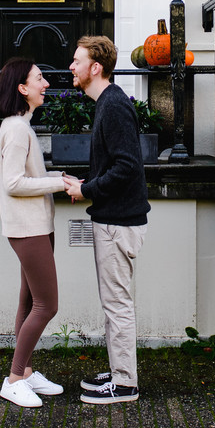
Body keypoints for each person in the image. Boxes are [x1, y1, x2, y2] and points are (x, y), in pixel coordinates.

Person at [63, 35, 149, 404]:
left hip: (118, 223)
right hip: (115, 219)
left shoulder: (113, 106)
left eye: (77, 61)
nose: (71, 66)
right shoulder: (108, 103)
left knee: (117, 304)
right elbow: (115, 164)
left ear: (95, 67)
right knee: (115, 302)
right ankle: (118, 372)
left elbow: (127, 167)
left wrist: (87, 190)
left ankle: (125, 385)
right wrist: (86, 184)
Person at [0, 57, 68, 408]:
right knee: (47, 305)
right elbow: (13, 183)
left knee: (28, 302)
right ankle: (13, 379)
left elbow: (26, 177)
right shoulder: (18, 129)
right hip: (28, 228)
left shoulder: (20, 125)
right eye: (39, 78)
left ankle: (26, 373)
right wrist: (58, 184)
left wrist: (59, 178)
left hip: (35, 226)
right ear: (22, 88)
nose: (45, 84)